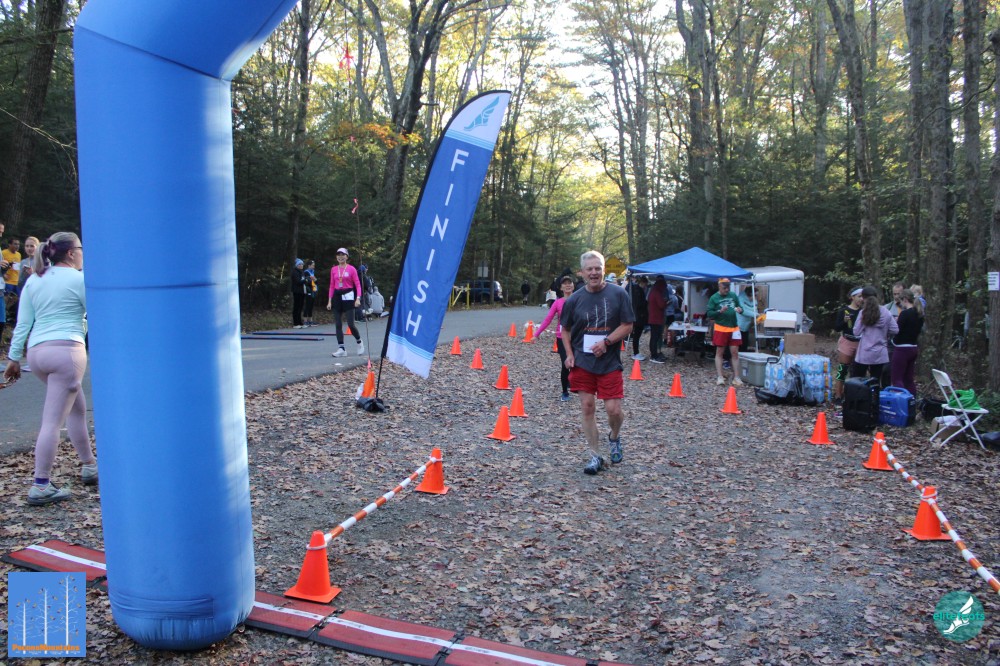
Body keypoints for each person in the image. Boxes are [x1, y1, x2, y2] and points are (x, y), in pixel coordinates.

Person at [3, 232, 97, 506]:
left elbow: (23, 323)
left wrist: (13, 358)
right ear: (71, 253)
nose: (83, 253)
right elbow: (96, 315)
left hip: (37, 354)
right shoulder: (79, 279)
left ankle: (89, 465)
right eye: (80, 248)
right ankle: (40, 484)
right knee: (52, 422)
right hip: (66, 352)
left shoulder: (35, 279)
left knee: (76, 408)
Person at [560, 250, 634, 475]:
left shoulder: (618, 294)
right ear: (582, 273)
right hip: (583, 361)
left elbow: (628, 325)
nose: (594, 273)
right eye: (589, 269)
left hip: (609, 362)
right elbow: (565, 330)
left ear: (604, 270)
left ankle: (614, 437)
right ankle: (595, 455)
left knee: (614, 410)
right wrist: (569, 354)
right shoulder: (574, 299)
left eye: (597, 268)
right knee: (587, 407)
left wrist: (607, 341)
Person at [535, 276, 575, 401]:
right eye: (565, 284)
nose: (568, 285)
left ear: (573, 286)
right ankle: (564, 392)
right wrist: (537, 334)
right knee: (565, 363)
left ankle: (571, 381)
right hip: (562, 337)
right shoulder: (558, 303)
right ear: (561, 288)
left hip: (577, 337)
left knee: (577, 363)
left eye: (570, 283)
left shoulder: (579, 300)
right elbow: (548, 319)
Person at [852, 285, 898, 383]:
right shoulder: (886, 312)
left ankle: (861, 393)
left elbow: (856, 332)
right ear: (876, 297)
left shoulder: (863, 313)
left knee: (857, 380)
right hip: (880, 353)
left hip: (864, 353)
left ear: (863, 298)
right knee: (875, 381)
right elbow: (895, 330)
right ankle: (875, 393)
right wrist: (885, 331)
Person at [326, 247, 364, 357]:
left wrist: (358, 298)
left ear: (347, 256)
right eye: (338, 255)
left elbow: (358, 284)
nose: (340, 257)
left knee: (351, 325)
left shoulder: (351, 269)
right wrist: (329, 301)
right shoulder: (333, 269)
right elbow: (332, 285)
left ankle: (359, 342)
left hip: (348, 296)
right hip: (337, 296)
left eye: (343, 255)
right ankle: (341, 348)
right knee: (338, 324)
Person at [706, 278, 744, 386]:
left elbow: (740, 307)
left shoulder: (733, 295)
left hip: (734, 327)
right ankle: (720, 376)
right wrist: (719, 311)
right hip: (721, 328)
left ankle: (736, 377)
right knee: (720, 352)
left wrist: (740, 310)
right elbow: (709, 313)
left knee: (735, 352)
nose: (727, 290)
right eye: (724, 288)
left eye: (728, 287)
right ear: (719, 286)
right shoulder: (714, 298)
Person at [832, 287, 864, 403]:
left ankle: (853, 395)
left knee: (857, 370)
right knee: (842, 369)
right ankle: (838, 395)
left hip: (860, 342)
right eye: (859, 296)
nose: (861, 299)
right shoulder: (844, 311)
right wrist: (844, 321)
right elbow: (837, 328)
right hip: (847, 341)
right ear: (852, 297)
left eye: (863, 297)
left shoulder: (863, 311)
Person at [890, 289, 923, 395]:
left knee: (897, 378)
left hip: (902, 349)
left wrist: (892, 339)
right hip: (913, 347)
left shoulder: (905, 314)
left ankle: (899, 400)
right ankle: (912, 400)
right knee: (908, 379)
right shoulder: (919, 314)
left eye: (901, 301)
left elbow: (897, 331)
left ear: (904, 299)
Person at [645, 276, 668, 363]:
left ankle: (654, 354)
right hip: (656, 318)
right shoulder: (657, 292)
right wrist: (666, 302)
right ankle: (654, 356)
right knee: (655, 337)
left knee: (654, 337)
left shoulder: (653, 291)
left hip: (653, 317)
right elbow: (661, 305)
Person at [625, 274, 647, 361]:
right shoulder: (638, 290)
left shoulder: (629, 288)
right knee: (636, 336)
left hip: (634, 315)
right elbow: (641, 304)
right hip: (639, 316)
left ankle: (636, 352)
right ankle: (636, 352)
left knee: (635, 336)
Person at [290, 258, 308, 328]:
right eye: (299, 264)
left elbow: (303, 281)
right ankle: (295, 323)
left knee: (300, 307)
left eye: (302, 264)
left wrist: (306, 280)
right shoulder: (295, 272)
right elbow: (298, 281)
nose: (301, 265)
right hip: (297, 291)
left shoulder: (302, 272)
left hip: (302, 291)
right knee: (296, 307)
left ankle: (300, 322)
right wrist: (305, 280)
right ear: (297, 265)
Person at [302, 259, 318, 327]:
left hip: (313, 290)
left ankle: (310, 320)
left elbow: (315, 281)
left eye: (314, 265)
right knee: (307, 305)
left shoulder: (312, 272)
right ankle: (305, 321)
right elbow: (308, 281)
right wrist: (314, 280)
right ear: (309, 265)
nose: (314, 266)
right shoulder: (306, 272)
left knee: (311, 305)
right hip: (308, 290)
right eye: (313, 265)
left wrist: (314, 280)